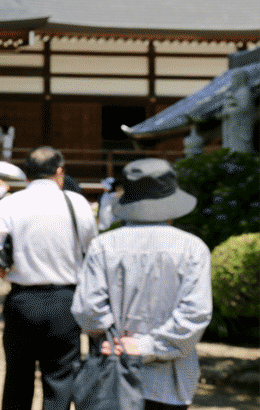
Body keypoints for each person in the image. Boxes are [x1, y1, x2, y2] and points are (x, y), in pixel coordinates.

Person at [71, 158, 211, 410]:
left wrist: (113, 338)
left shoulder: (104, 245)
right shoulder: (192, 248)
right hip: (169, 380)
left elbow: (87, 307)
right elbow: (195, 313)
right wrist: (147, 345)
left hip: (112, 375)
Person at [0, 146, 98, 410]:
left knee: (18, 375)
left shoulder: (11, 202)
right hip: (65, 300)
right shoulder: (76, 202)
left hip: (23, 299)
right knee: (60, 377)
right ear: (59, 172)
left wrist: (0, 271)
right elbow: (93, 251)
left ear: (27, 175)